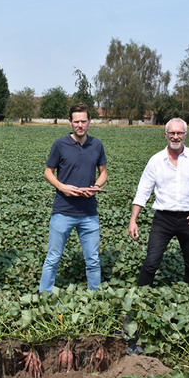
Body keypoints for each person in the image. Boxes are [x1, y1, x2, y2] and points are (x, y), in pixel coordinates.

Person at [128, 118, 189, 287]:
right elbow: (143, 191)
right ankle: (140, 295)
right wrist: (133, 220)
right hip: (163, 218)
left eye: (179, 133)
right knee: (151, 262)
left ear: (186, 135)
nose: (175, 136)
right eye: (172, 133)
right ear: (165, 135)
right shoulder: (156, 160)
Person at [39, 103, 108, 293]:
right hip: (63, 211)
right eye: (76, 121)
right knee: (53, 258)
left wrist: (96, 187)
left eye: (83, 121)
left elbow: (103, 173)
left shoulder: (97, 145)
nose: (80, 125)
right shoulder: (60, 144)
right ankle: (44, 295)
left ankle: (95, 296)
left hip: (89, 213)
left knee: (93, 260)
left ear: (89, 121)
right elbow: (48, 172)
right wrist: (62, 187)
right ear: (70, 121)